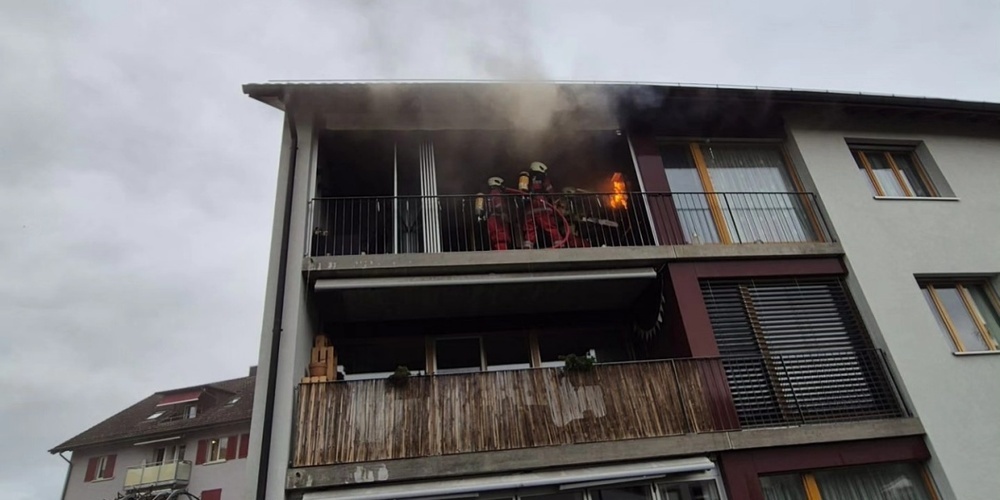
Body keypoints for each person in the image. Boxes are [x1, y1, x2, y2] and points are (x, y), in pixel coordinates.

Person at [520, 162, 563, 249]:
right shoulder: (543, 178)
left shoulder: (527, 178)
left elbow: (523, 192)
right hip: (542, 205)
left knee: (530, 228)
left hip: (530, 207)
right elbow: (549, 190)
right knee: (549, 225)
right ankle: (558, 242)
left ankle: (528, 245)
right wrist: (555, 200)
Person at [483, 176, 511, 250]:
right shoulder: (497, 193)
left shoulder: (489, 196)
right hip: (497, 220)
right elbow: (499, 206)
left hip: (491, 220)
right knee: (501, 238)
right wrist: (504, 214)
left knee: (495, 239)